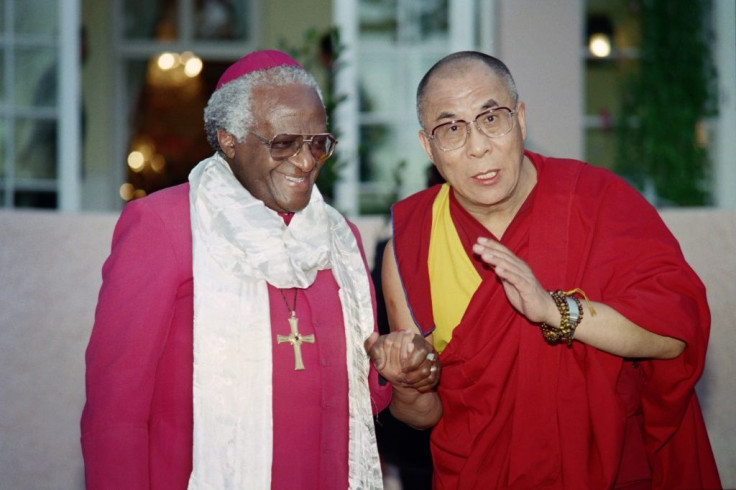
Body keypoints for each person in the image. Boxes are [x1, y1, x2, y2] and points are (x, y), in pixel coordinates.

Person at [80, 49, 436, 489]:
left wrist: (396, 371)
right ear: (230, 140)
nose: (306, 162)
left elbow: (357, 398)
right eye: (284, 143)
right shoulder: (164, 226)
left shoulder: (339, 238)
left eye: (319, 143)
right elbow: (116, 411)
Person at [382, 51, 721, 489]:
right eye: (451, 129)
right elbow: (423, 415)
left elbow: (675, 335)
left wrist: (557, 311)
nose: (478, 146)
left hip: (607, 471)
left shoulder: (596, 202)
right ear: (427, 146)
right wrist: (408, 386)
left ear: (520, 119)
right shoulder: (413, 244)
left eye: (492, 118)